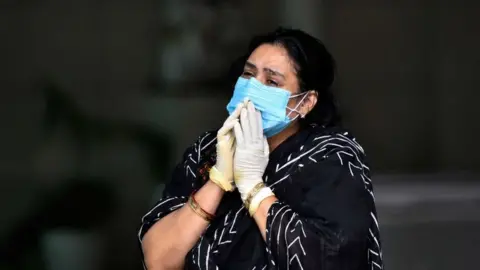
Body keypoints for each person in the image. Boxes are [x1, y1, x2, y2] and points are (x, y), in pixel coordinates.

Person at [138, 27, 383, 270]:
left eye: (272, 81)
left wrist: (254, 188)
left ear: (306, 102)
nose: (253, 89)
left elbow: (329, 259)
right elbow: (157, 260)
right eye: (248, 74)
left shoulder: (331, 157)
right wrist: (219, 181)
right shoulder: (208, 150)